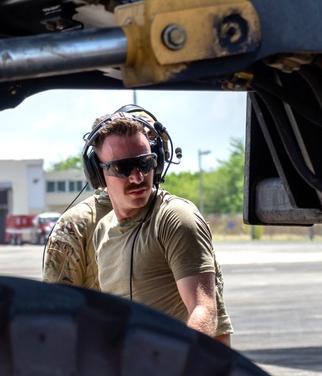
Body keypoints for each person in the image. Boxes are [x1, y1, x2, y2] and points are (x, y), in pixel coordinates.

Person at [85, 105, 233, 345]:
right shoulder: (102, 229)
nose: (138, 177)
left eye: (144, 163)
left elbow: (203, 309)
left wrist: (173, 366)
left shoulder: (175, 218)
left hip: (180, 372)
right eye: (122, 168)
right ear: (98, 174)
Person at [41, 189, 111, 288]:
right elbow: (58, 298)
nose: (137, 179)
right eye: (124, 172)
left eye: (140, 172)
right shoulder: (76, 221)